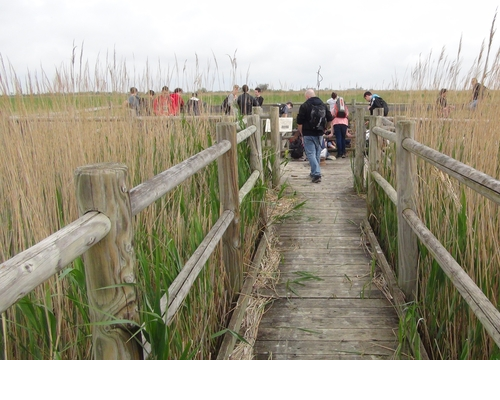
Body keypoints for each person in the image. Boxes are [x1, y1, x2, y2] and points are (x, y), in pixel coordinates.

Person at [296, 89, 333, 183]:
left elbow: (299, 122)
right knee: (317, 153)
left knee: (310, 154)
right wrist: (325, 128)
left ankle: (316, 174)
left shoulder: (304, 106)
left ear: (307, 96)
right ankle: (314, 172)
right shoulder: (323, 105)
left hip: (308, 132)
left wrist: (301, 133)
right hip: (319, 133)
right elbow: (330, 118)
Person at [326, 92, 349, 158]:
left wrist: (331, 132)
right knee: (343, 138)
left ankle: (339, 153)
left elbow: (331, 117)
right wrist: (347, 131)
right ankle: (344, 153)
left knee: (338, 138)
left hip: (336, 124)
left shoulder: (334, 108)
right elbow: (347, 116)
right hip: (344, 124)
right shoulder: (345, 108)